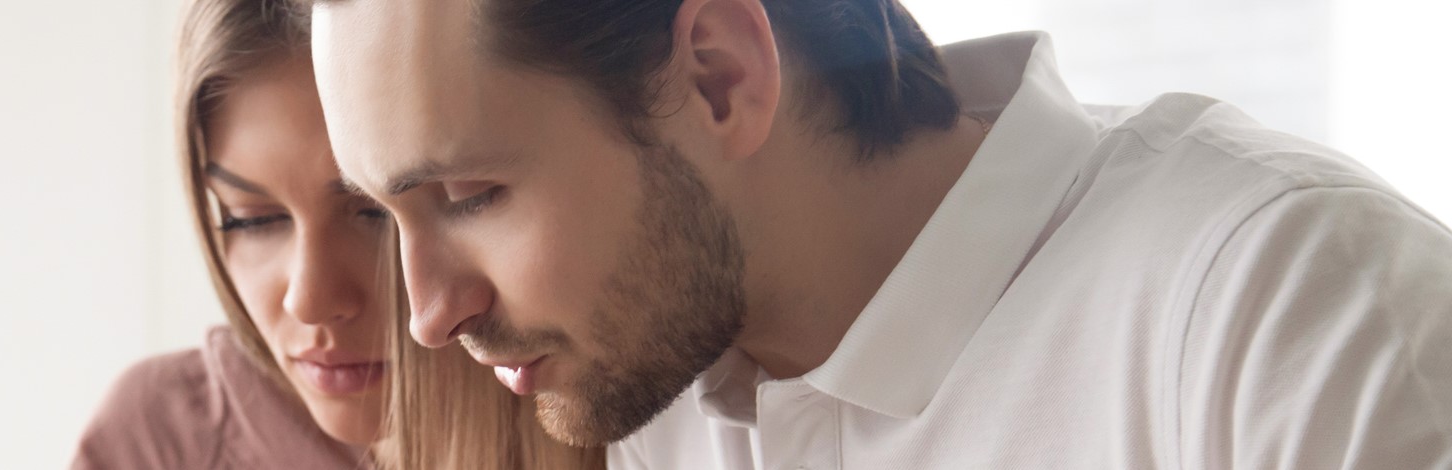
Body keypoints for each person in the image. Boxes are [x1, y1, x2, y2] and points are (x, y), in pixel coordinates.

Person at [304, 0, 1452, 468]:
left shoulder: (1286, 304)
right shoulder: (657, 385)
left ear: (715, 77)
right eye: (382, 213)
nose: (424, 307)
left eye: (464, 195)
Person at [71, 0, 600, 468]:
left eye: (373, 213)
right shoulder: (156, 443)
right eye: (250, 219)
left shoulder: (639, 400)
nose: (312, 301)